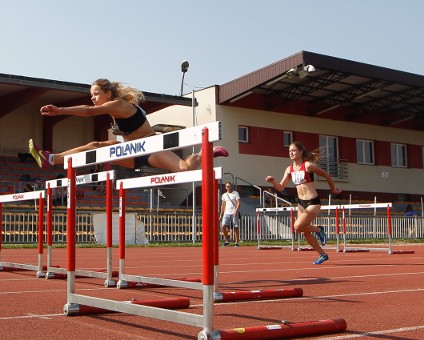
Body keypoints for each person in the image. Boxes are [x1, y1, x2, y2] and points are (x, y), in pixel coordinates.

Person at [31, 78, 228, 172]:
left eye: (96, 93)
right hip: (131, 151)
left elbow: (89, 111)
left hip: (151, 147)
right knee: (96, 146)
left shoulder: (118, 104)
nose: (92, 97)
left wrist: (60, 110)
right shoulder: (112, 111)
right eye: (91, 94)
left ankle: (205, 153)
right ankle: (51, 159)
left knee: (184, 169)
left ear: (108, 94)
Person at [266, 141, 342, 265]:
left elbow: (327, 176)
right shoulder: (289, 169)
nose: (291, 153)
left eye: (294, 150)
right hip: (301, 203)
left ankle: (318, 230)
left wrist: (333, 189)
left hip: (313, 202)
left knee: (297, 226)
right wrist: (272, 181)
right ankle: (323, 255)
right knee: (305, 232)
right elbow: (280, 188)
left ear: (301, 152)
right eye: (290, 151)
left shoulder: (308, 166)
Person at [220, 181, 241, 247]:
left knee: (236, 227)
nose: (228, 187)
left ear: (232, 186)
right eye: (227, 186)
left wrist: (236, 211)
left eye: (229, 186)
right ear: (225, 187)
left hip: (234, 212)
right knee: (223, 226)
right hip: (226, 212)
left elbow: (238, 203)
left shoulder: (235, 193)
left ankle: (237, 242)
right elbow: (223, 205)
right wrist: (221, 214)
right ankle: (227, 241)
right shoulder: (224, 195)